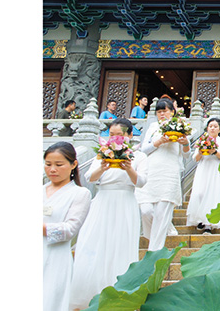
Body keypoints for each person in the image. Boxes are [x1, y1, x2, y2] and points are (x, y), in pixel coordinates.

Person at [68, 119, 148, 310]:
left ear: (129, 135)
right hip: (103, 200)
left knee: (121, 245)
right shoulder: (103, 153)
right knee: (94, 241)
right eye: (110, 135)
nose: (113, 138)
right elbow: (90, 178)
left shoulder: (139, 156)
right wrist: (102, 167)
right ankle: (89, 293)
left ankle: (118, 294)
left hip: (125, 202)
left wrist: (129, 168)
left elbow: (142, 182)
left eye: (118, 134)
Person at [135, 98, 191, 251]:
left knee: (162, 214)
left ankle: (155, 252)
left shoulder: (180, 126)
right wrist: (158, 142)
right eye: (159, 112)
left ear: (172, 112)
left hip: (169, 173)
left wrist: (185, 142)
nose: (162, 114)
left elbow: (187, 155)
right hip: (151, 171)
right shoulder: (153, 127)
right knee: (146, 210)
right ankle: (156, 236)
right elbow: (143, 150)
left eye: (165, 111)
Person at [43, 142, 91, 311]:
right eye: (48, 165)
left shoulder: (80, 194)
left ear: (74, 165)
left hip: (55, 258)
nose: (52, 170)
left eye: (59, 164)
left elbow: (70, 230)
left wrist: (42, 229)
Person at [186, 118, 220, 234]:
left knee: (212, 195)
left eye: (215, 126)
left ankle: (208, 225)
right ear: (207, 128)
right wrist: (201, 151)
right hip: (203, 169)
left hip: (216, 171)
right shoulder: (202, 140)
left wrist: (215, 152)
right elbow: (195, 158)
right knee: (198, 193)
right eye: (210, 126)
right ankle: (199, 219)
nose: (212, 128)